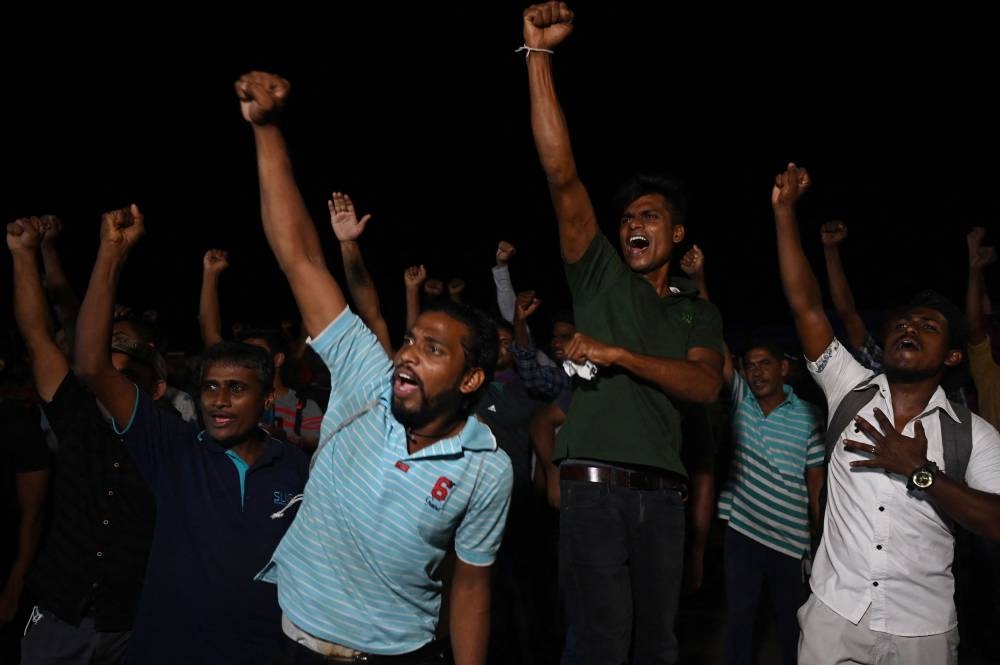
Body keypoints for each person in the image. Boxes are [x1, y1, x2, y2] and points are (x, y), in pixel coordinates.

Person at [235, 70, 512, 665]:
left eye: (434, 350)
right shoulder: (366, 376)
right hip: (289, 639)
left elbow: (470, 585)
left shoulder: (488, 469)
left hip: (397, 654)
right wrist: (267, 129)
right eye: (412, 339)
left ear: (470, 380)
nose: (409, 352)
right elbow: (300, 257)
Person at [520, 4, 724, 662]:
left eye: (650, 215)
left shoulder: (696, 311)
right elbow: (561, 173)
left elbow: (703, 384)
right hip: (595, 490)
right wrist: (540, 58)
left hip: (663, 502)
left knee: (659, 645)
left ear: (679, 232)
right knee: (601, 643)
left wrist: (617, 354)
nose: (634, 222)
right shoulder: (602, 276)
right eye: (628, 215)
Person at [770, 162, 1000, 665]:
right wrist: (785, 213)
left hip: (923, 630)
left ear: (953, 356)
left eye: (929, 325)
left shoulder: (973, 436)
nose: (909, 328)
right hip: (836, 616)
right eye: (902, 322)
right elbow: (807, 307)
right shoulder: (847, 388)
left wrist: (920, 473)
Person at [73, 205, 309, 665]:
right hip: (170, 650)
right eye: (210, 387)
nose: (218, 399)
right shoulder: (174, 447)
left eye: (236, 389)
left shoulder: (295, 464)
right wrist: (110, 254)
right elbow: (90, 365)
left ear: (266, 400)